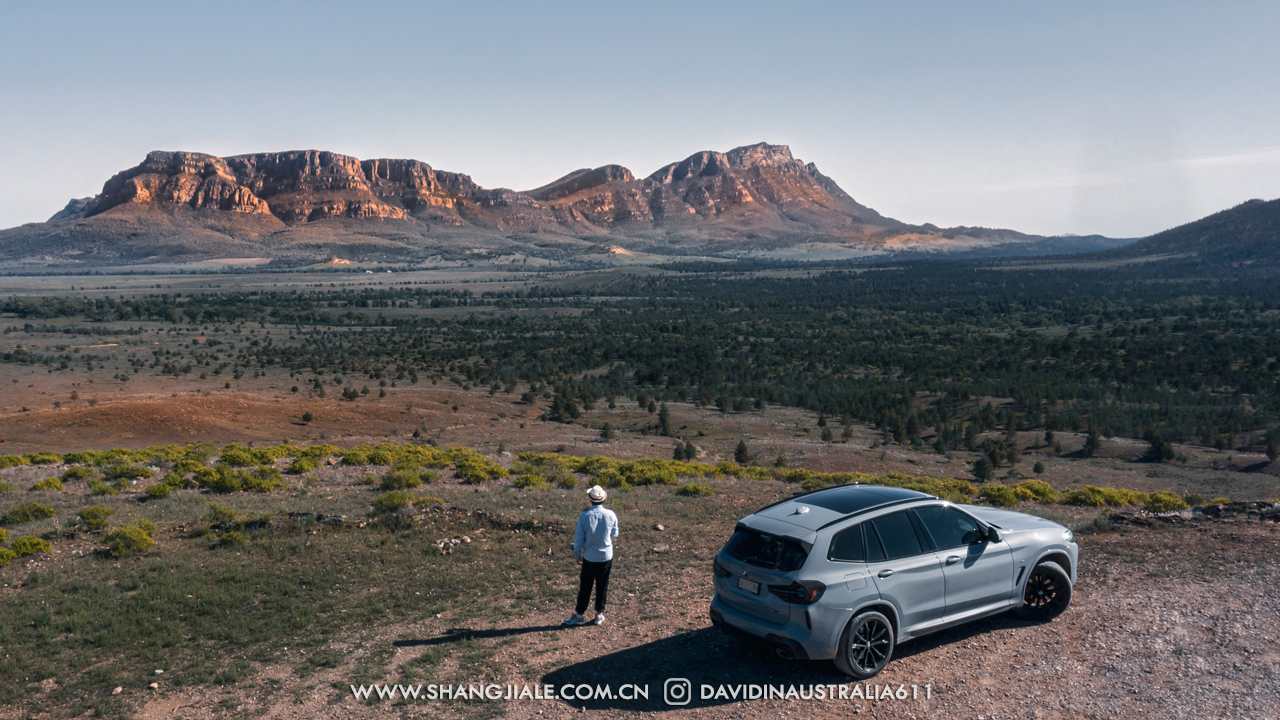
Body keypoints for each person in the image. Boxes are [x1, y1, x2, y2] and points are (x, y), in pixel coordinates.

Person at [565, 484, 619, 626]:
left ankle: (579, 615)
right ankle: (599, 614)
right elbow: (615, 534)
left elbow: (579, 539)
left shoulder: (584, 517)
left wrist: (577, 555)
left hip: (589, 557)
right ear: (603, 499)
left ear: (590, 499)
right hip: (606, 556)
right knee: (602, 585)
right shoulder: (611, 514)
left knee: (585, 587)